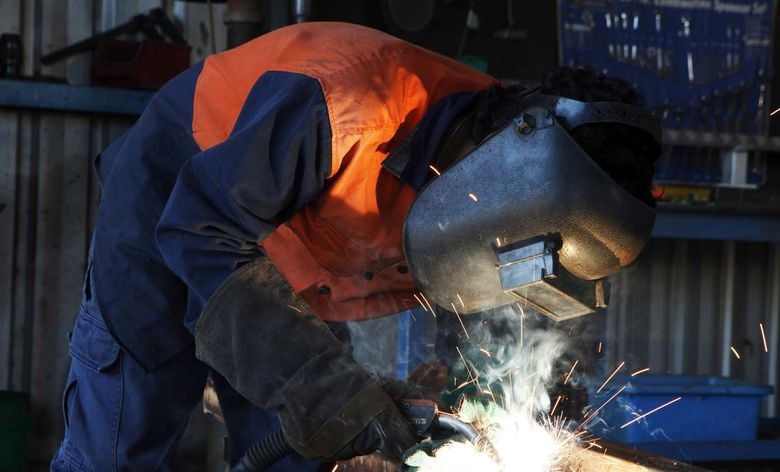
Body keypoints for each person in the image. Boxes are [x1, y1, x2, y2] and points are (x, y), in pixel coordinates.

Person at [51, 21, 660, 472]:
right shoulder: (350, 102)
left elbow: (474, 312)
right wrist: (317, 382)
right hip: (173, 200)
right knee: (122, 440)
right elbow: (198, 226)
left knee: (305, 448)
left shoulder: (493, 186)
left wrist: (436, 391)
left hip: (285, 263)